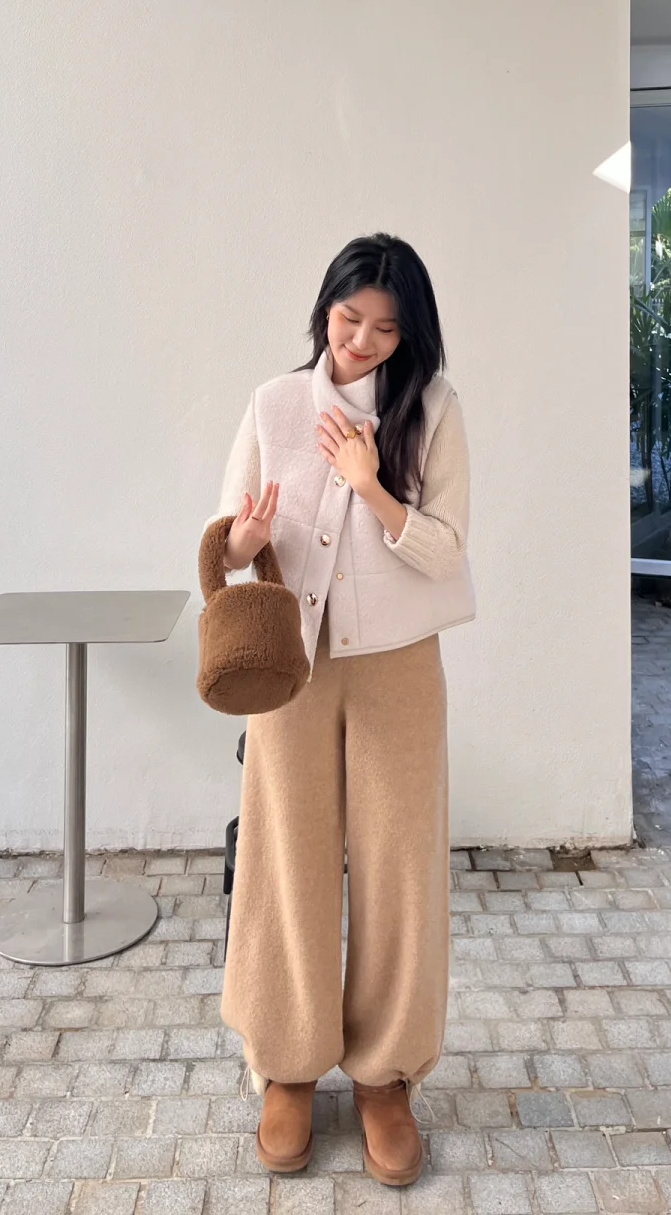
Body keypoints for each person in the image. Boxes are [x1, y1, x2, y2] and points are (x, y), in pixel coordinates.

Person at [208, 232, 475, 1187]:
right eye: (348, 317)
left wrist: (372, 486)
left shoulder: (434, 410)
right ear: (325, 307)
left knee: (401, 865)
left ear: (411, 335)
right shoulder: (274, 404)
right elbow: (225, 539)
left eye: (384, 329)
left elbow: (446, 549)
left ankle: (386, 1076)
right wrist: (241, 542)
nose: (360, 341)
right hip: (291, 667)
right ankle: (286, 1063)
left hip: (399, 667)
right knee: (286, 859)